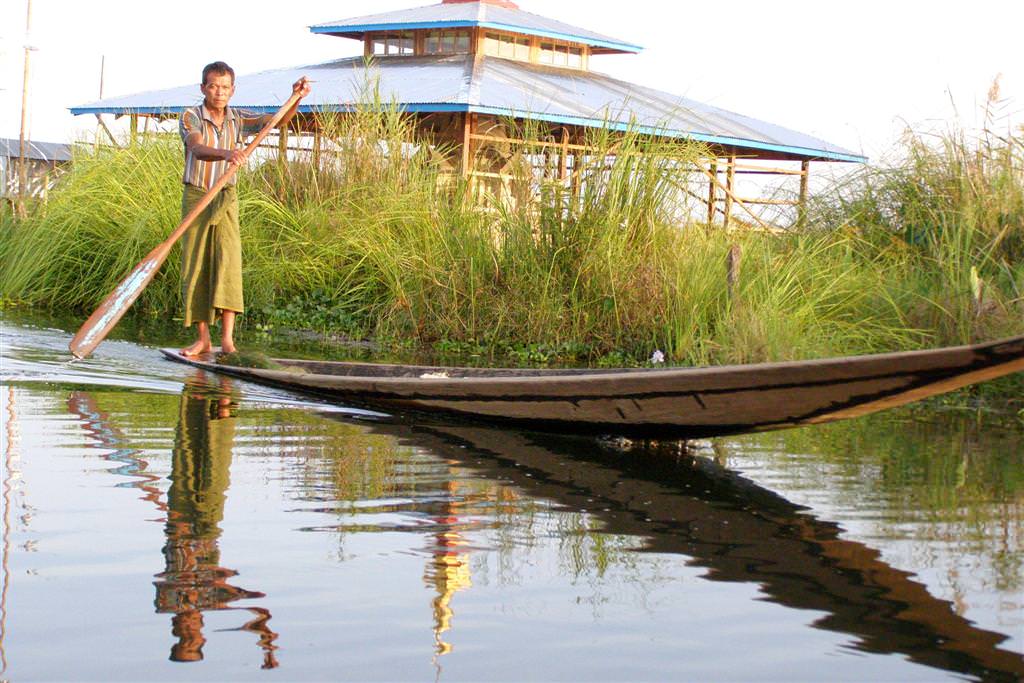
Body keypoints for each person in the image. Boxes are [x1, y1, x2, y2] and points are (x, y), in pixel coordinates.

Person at [179, 61, 311, 357]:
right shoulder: (191, 117)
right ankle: (203, 339)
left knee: (229, 261)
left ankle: (227, 340)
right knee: (196, 264)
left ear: (233, 90)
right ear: (203, 88)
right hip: (198, 195)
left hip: (226, 195)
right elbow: (196, 148)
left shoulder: (238, 118)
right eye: (213, 86)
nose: (219, 92)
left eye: (225, 87)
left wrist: (296, 98)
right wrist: (229, 154)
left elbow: (275, 121)